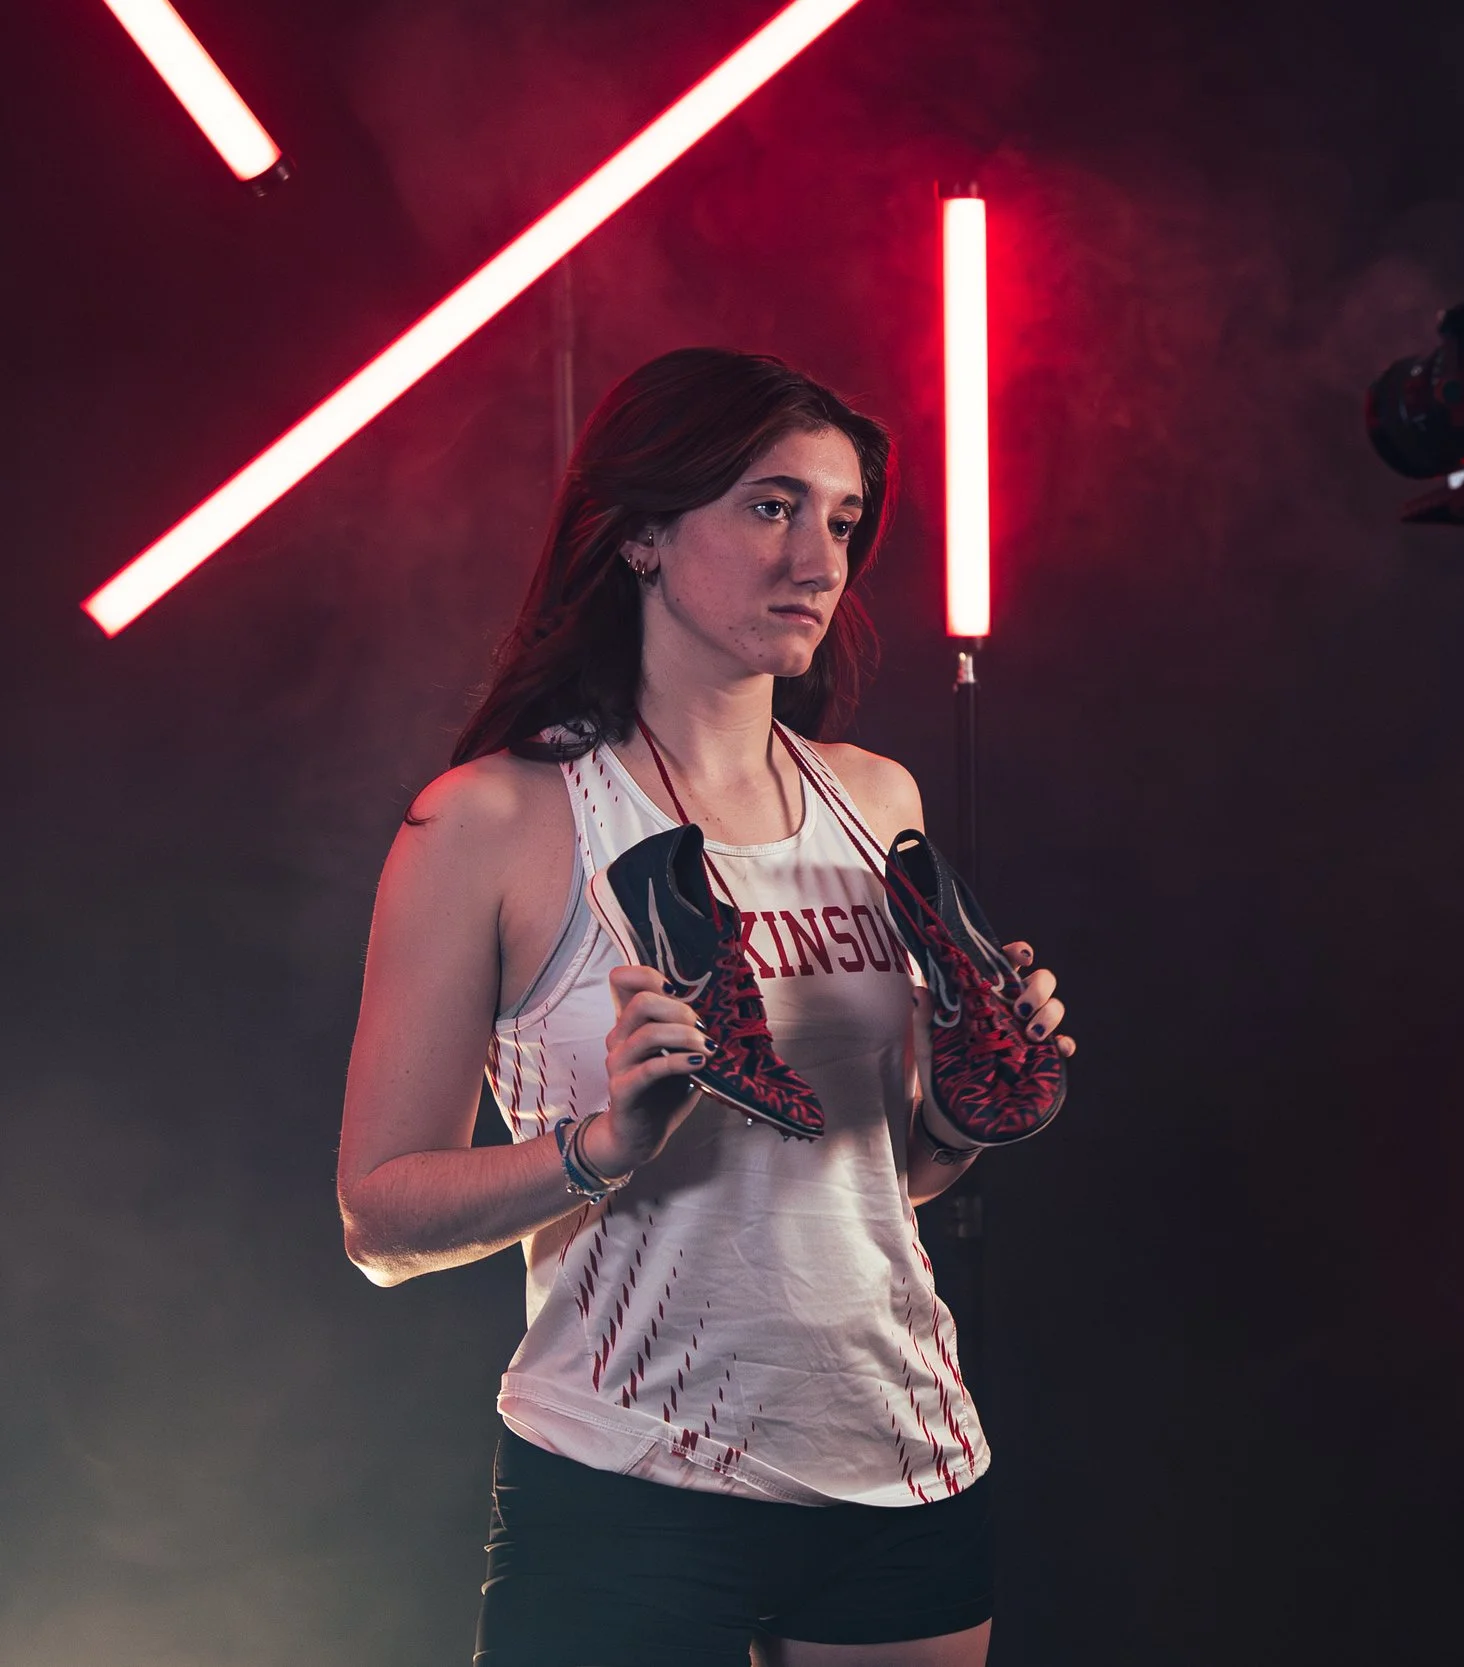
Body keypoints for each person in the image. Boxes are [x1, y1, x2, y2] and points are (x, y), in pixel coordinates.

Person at [337, 348, 1074, 1667]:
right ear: (638, 535)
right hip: (627, 1480)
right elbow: (378, 1218)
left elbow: (875, 1182)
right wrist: (594, 1150)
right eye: (770, 505)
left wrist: (973, 1101)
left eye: (843, 519)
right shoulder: (493, 819)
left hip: (900, 1460)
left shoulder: (879, 797)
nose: (820, 558)